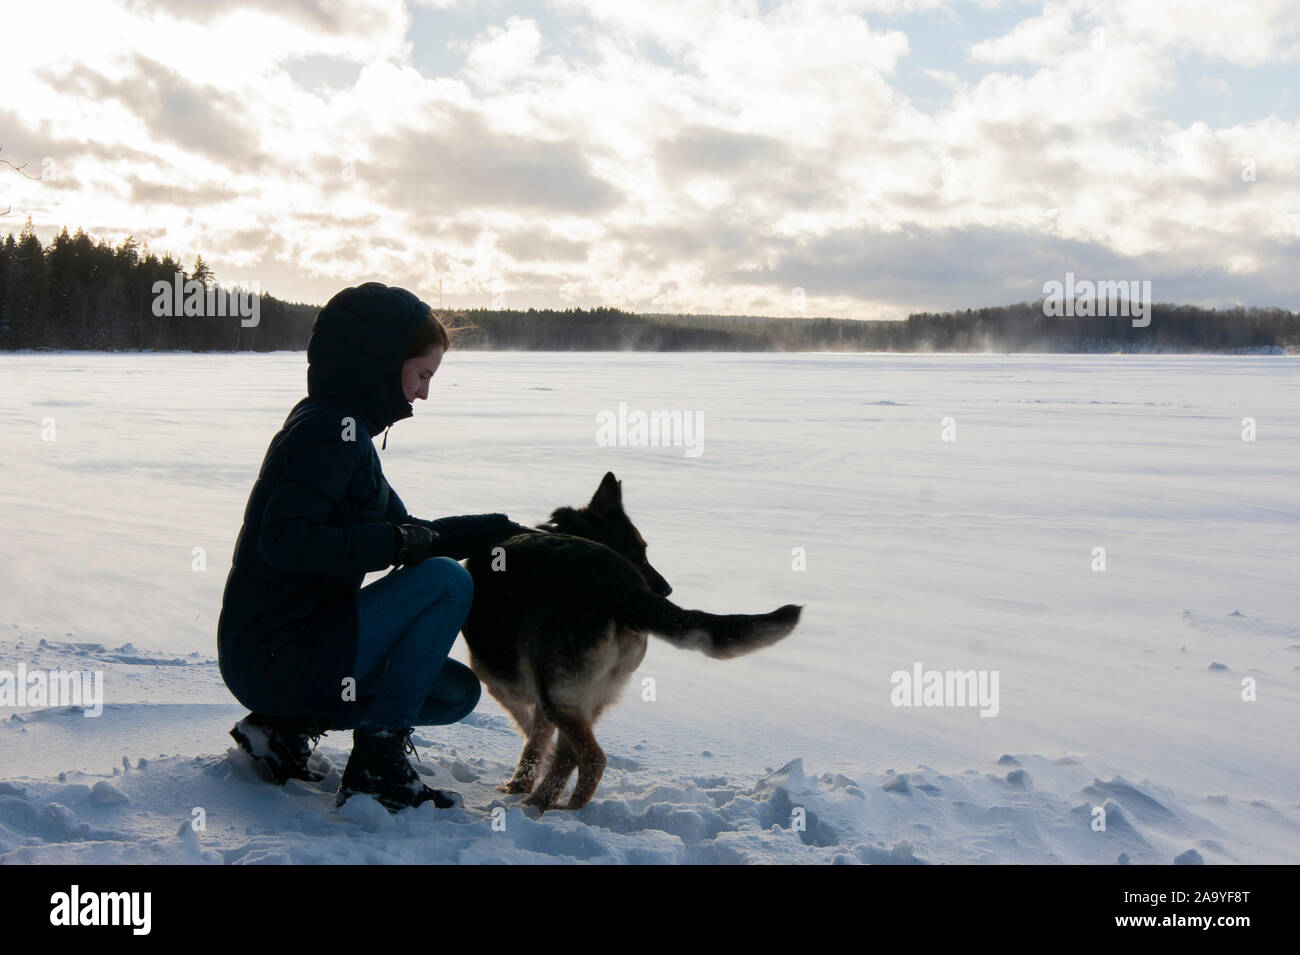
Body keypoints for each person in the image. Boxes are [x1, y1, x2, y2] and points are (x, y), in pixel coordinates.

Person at [216, 281, 535, 813]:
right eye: (423, 375)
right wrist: (391, 542)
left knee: (453, 692)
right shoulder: (328, 433)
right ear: (383, 363)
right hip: (278, 653)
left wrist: (492, 529)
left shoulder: (343, 433)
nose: (424, 393)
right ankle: (376, 769)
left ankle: (283, 727)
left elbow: (411, 534)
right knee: (449, 583)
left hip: (281, 652)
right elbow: (285, 541)